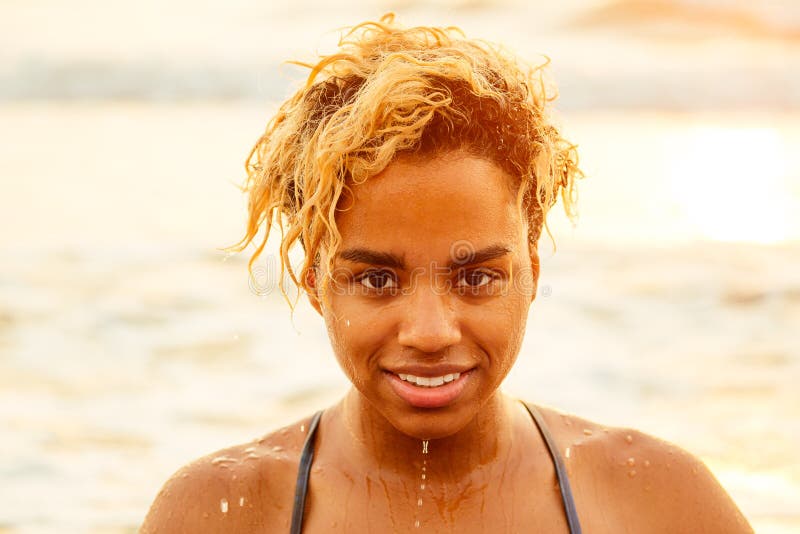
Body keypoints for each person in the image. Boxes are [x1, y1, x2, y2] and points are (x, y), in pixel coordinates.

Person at [141, 14, 753, 533]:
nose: (430, 333)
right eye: (378, 281)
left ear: (531, 273)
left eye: (476, 278)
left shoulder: (653, 502)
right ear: (317, 286)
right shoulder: (224, 511)